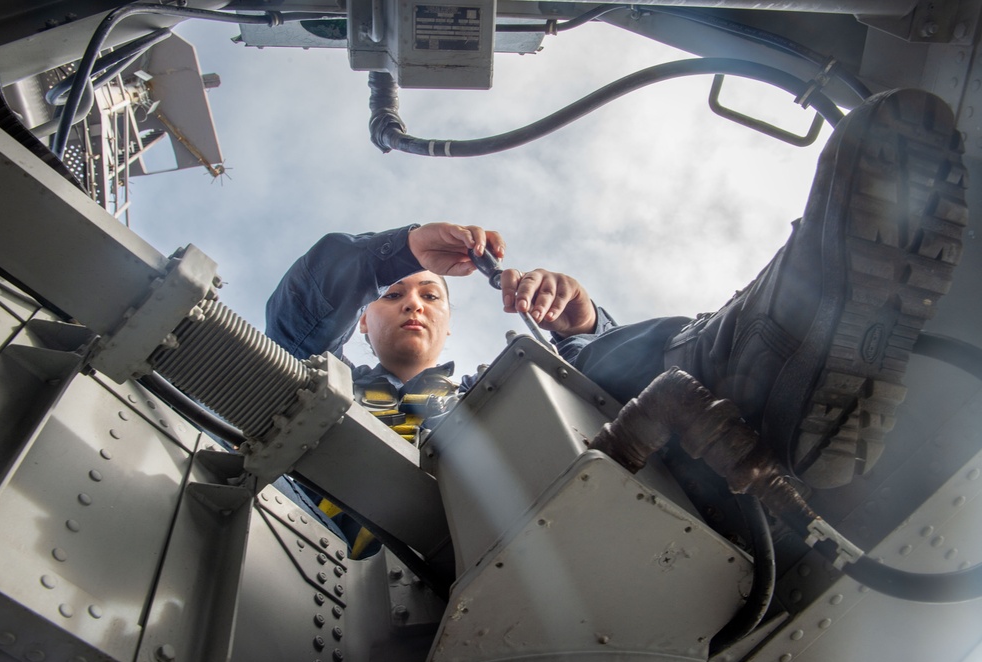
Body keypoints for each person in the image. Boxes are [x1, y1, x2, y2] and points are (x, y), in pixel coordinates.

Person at [267, 88, 968, 506]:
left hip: (553, 518)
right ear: (360, 321)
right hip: (393, 565)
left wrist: (581, 325)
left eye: (430, 294)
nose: (415, 301)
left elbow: (600, 413)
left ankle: (781, 345)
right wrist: (405, 248)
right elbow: (290, 325)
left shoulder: (491, 402)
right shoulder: (316, 391)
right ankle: (785, 340)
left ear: (450, 326)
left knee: (582, 371)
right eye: (394, 295)